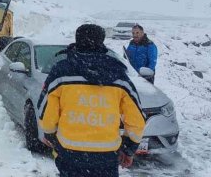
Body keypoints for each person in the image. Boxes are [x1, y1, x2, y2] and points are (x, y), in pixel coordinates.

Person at [38, 24, 146, 177]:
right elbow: (136, 120)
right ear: (101, 42)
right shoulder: (118, 74)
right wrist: (129, 149)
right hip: (106, 156)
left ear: (77, 40)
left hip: (69, 153)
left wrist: (50, 136)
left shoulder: (61, 71)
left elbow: (47, 113)